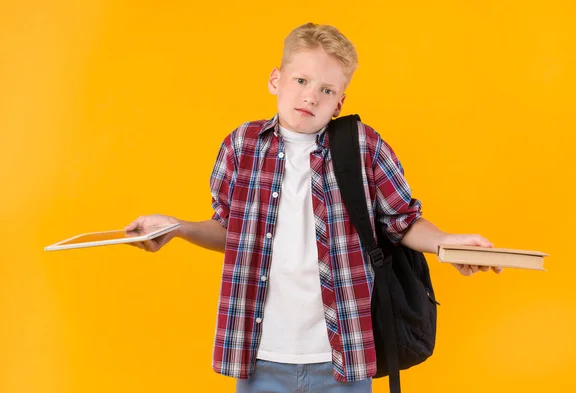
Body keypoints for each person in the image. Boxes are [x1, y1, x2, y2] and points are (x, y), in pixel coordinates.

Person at [125, 22, 502, 393]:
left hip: (344, 358)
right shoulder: (240, 146)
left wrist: (447, 243)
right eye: (301, 81)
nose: (310, 97)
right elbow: (229, 232)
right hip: (261, 357)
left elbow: (403, 222)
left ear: (339, 103)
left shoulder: (364, 146)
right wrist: (176, 227)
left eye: (326, 89)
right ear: (276, 80)